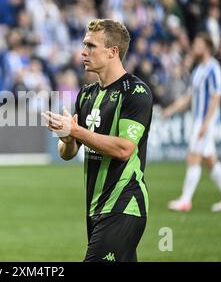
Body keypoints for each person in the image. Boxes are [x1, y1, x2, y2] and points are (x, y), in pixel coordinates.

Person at [42, 19, 153, 262]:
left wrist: (77, 131)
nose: (83, 52)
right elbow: (66, 153)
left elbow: (124, 149)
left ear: (113, 52)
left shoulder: (135, 92)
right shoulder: (86, 94)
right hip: (95, 207)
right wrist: (68, 137)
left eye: (91, 46)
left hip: (124, 204)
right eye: (84, 45)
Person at [163, 32, 221, 212]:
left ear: (206, 46)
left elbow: (216, 96)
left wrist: (206, 123)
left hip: (206, 120)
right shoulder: (198, 70)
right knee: (209, 159)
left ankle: (185, 200)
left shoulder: (214, 68)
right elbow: (189, 97)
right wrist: (171, 110)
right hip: (200, 119)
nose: (194, 47)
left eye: (197, 43)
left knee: (193, 156)